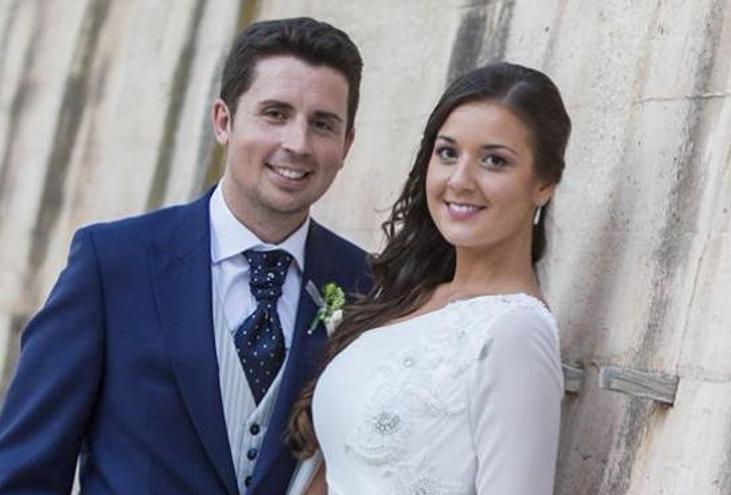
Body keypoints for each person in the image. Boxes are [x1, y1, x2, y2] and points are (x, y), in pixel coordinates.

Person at [0, 17, 370, 494]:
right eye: (275, 114)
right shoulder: (112, 264)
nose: (297, 144)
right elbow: (22, 474)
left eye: (322, 124)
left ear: (347, 144)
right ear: (224, 121)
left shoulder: (367, 286)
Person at [286, 62, 571, 494]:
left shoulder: (516, 331)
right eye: (448, 153)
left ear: (544, 184)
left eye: (494, 161)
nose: (460, 180)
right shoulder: (406, 298)